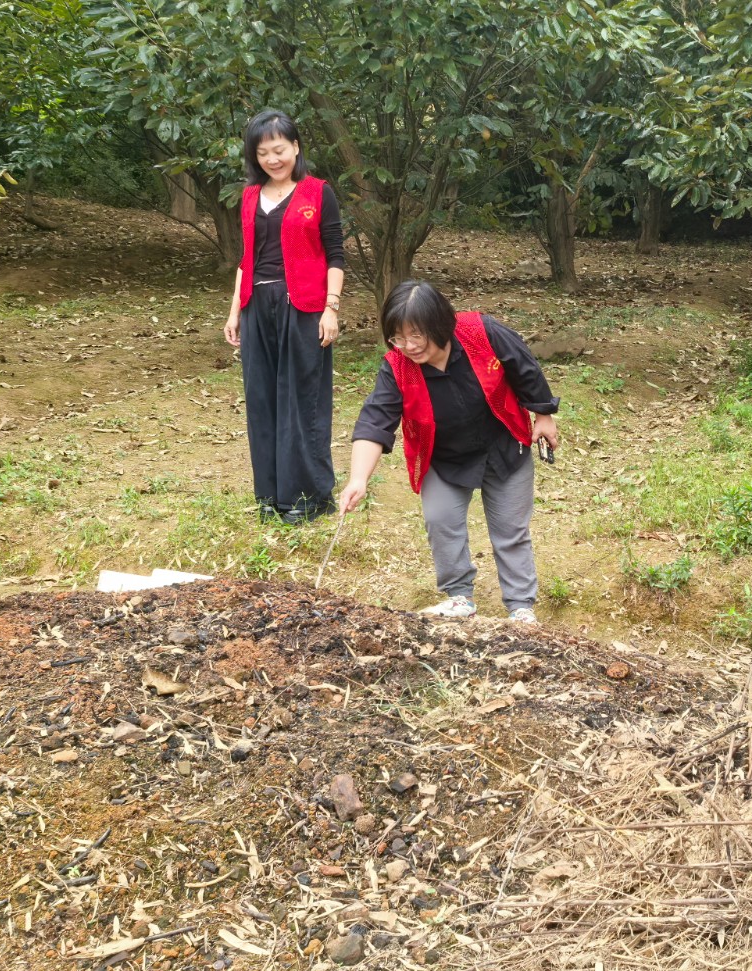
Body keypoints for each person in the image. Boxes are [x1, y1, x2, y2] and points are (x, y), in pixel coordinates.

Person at [338, 280, 561, 623]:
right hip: (443, 458)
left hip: (503, 446)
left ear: (440, 324)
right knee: (440, 521)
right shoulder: (397, 366)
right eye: (398, 338)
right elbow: (375, 420)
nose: (409, 346)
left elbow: (524, 366)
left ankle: (520, 607)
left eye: (417, 335)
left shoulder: (481, 332)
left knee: (510, 531)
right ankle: (459, 597)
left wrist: (543, 414)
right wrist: (358, 479)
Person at [222, 109, 345, 523]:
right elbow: (246, 258)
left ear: (295, 147)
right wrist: (235, 311)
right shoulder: (249, 197)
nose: (272, 159)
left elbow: (335, 256)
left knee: (302, 399)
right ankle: (271, 495)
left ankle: (308, 497)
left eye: (279, 150)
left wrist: (331, 308)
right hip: (257, 306)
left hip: (304, 307)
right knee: (261, 400)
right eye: (263, 153)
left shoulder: (318, 192)